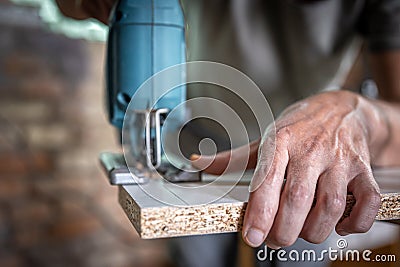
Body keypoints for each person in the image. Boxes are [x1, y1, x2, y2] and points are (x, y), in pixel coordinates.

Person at [56, 0, 400, 266]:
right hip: (197, 144)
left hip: (307, 155)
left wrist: (357, 113)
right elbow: (64, 6)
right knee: (197, 261)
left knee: (297, 252)